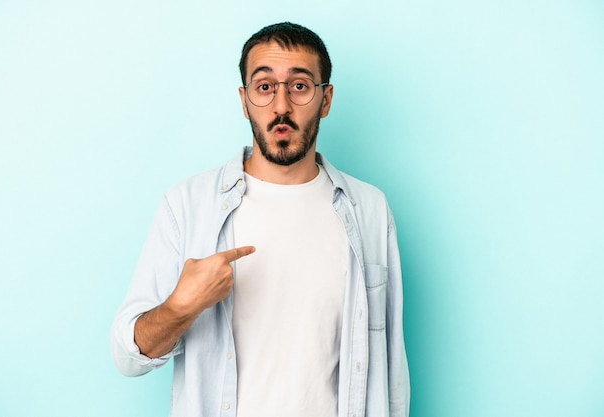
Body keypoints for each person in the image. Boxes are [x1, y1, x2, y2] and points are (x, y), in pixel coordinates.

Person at [110, 22, 409, 417]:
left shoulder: (369, 210)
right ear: (245, 99)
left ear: (326, 99)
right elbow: (127, 356)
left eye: (299, 86)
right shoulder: (186, 206)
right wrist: (181, 306)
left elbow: (391, 371)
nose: (281, 106)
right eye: (264, 87)